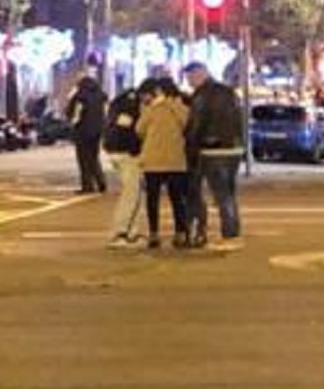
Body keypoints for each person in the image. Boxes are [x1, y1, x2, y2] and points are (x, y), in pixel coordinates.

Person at [183, 61, 244, 245]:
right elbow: (239, 119)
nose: (189, 82)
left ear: (199, 74)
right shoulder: (228, 92)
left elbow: (197, 124)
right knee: (228, 192)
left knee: (219, 193)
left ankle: (228, 234)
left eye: (190, 78)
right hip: (233, 148)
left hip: (213, 149)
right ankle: (232, 230)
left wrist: (190, 146)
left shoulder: (202, 95)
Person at [134, 75, 194, 250]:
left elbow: (139, 129)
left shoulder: (152, 109)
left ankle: (154, 233)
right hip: (176, 161)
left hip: (153, 161)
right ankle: (181, 233)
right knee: (177, 199)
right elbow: (187, 124)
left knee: (152, 200)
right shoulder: (181, 108)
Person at [103, 76, 147, 246]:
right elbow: (129, 131)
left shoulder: (121, 101)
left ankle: (131, 232)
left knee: (133, 192)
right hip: (127, 153)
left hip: (115, 150)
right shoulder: (133, 106)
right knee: (132, 194)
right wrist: (137, 150)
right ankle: (121, 233)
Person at [66, 67, 108, 194]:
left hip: (83, 131)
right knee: (94, 157)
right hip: (97, 131)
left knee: (83, 159)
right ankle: (101, 181)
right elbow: (105, 112)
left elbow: (75, 116)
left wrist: (72, 122)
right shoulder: (101, 95)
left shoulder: (80, 96)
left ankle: (87, 185)